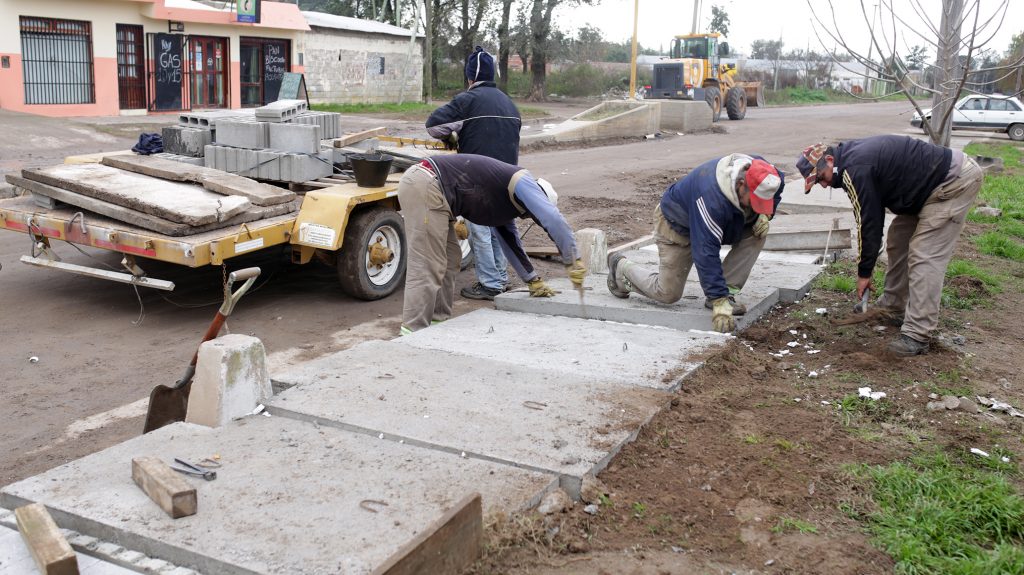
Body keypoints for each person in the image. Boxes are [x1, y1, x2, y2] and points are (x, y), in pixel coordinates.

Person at [797, 136, 982, 356]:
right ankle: (893, 307)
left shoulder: (855, 170)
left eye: (821, 178)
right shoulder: (849, 162)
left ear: (829, 160)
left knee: (925, 255)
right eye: (818, 183)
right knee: (898, 238)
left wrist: (864, 273)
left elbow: (869, 223)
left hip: (952, 182)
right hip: (925, 188)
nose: (824, 184)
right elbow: (869, 215)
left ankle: (918, 333)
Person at [398, 154, 586, 334]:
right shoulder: (523, 182)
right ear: (537, 199)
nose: (530, 216)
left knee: (449, 259)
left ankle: (437, 321)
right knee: (428, 263)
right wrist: (573, 260)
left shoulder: (509, 204)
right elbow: (553, 219)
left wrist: (533, 280)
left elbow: (510, 242)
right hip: (426, 183)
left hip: (436, 193)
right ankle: (413, 331)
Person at [606, 154, 785, 333]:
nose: (758, 205)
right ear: (741, 185)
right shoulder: (711, 198)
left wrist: (765, 214)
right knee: (668, 293)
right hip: (677, 226)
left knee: (758, 232)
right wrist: (718, 298)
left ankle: (727, 291)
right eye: (755, 202)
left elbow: (779, 183)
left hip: (722, 221)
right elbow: (706, 252)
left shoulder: (765, 175)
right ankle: (621, 269)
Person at [426, 46, 522, 301]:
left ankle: (490, 284)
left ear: (470, 78)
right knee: (502, 226)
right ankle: (500, 277)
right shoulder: (509, 103)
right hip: (509, 176)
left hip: (478, 177)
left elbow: (433, 126)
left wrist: (452, 135)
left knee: (479, 228)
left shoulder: (467, 100)